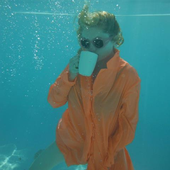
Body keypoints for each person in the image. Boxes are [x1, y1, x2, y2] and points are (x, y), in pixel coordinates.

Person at [29, 3, 141, 170]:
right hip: (72, 138)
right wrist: (69, 77)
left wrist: (108, 154)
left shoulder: (127, 75)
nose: (90, 48)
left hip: (106, 147)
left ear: (114, 38)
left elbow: (128, 125)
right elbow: (54, 101)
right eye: (84, 42)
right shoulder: (76, 66)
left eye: (97, 42)